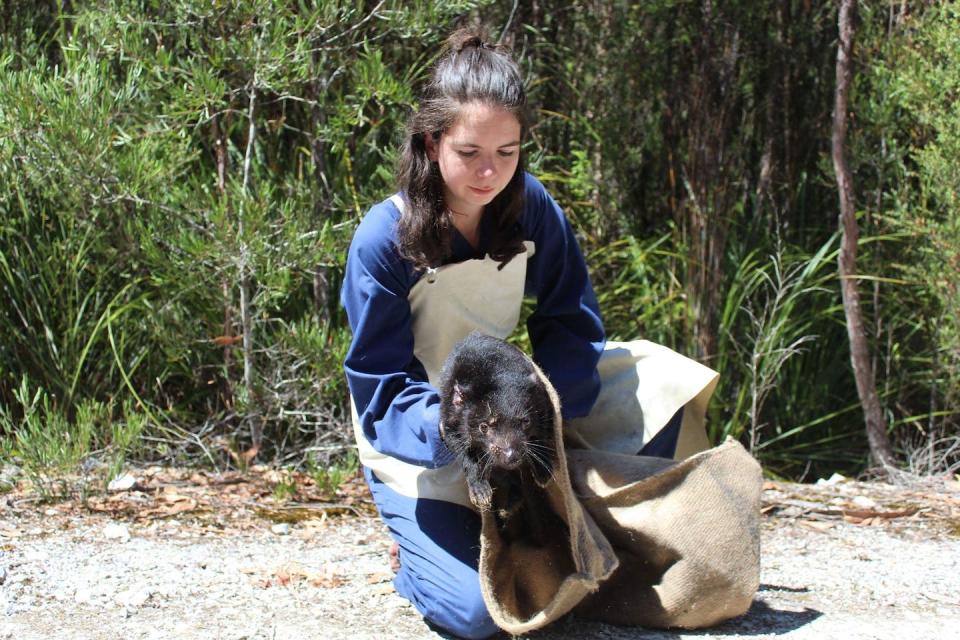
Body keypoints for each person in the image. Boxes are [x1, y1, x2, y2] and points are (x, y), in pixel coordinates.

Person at [340, 29, 716, 639]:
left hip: (520, 403)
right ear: (433, 142)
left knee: (662, 388)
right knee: (479, 614)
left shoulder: (530, 206)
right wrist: (458, 431)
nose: (490, 172)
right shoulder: (385, 239)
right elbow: (379, 389)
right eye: (469, 153)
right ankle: (412, 561)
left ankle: (599, 525)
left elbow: (570, 321)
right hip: (429, 429)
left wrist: (544, 403)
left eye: (508, 152)